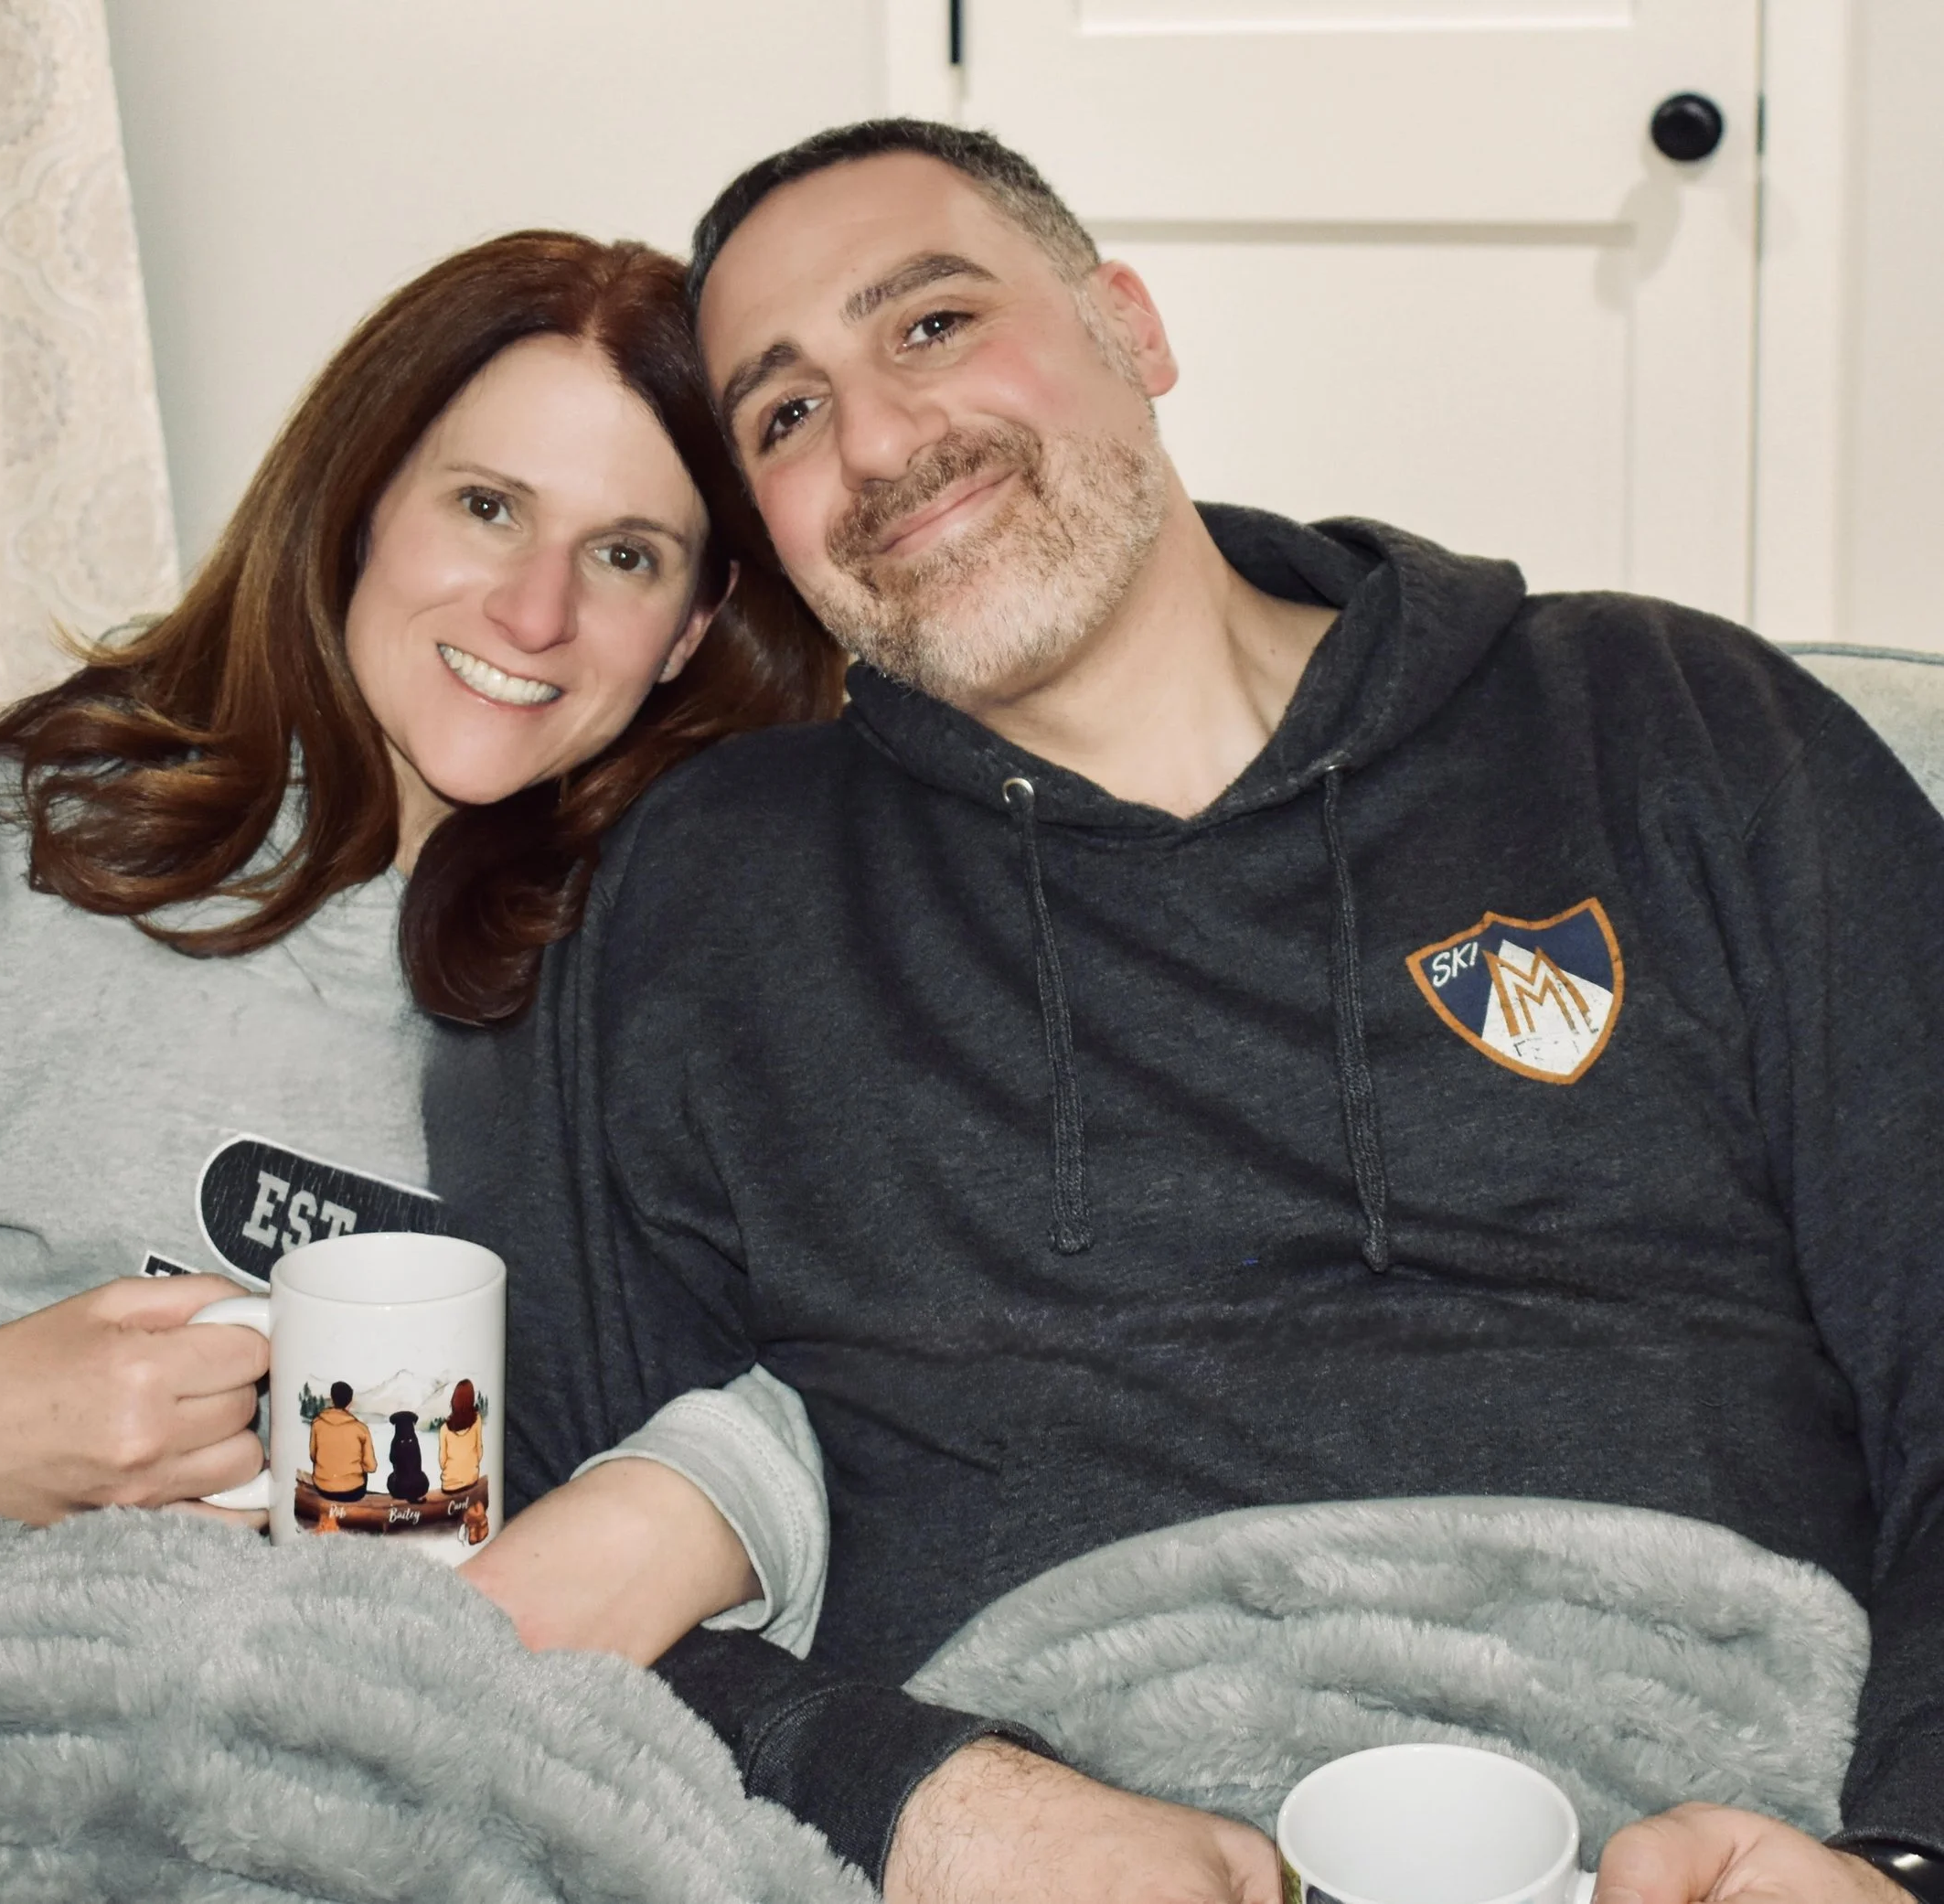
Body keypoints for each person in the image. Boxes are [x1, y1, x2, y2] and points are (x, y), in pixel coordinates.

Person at [428, 123, 1944, 1904]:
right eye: (781, 415)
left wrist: (1899, 1858)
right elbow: (540, 1571)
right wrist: (910, 1804)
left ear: (1127, 326)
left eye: (924, 325)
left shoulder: (1668, 726)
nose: (881, 444)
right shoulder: (699, 900)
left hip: (1731, 1800)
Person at [0, 230, 844, 1667]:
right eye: (484, 506)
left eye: (624, 555)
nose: (537, 613)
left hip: (370, 1765)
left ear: (692, 624)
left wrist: (706, 1502)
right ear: (362, 507)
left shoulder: (713, 980)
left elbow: (912, 1370)